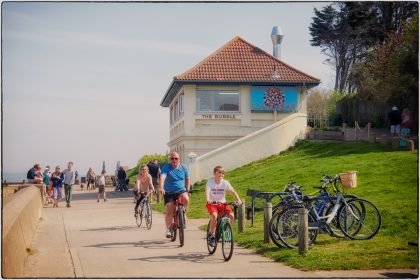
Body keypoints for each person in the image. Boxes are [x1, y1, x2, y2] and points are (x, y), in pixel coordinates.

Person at [205, 165, 242, 246]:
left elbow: (232, 192)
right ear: (214, 174)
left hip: (222, 203)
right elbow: (207, 191)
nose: (221, 175)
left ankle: (224, 230)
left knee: (231, 216)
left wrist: (238, 200)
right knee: (214, 216)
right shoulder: (210, 182)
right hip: (212, 203)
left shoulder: (225, 182)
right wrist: (208, 199)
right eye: (219, 173)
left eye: (222, 173)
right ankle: (212, 235)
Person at [159, 152, 190, 238]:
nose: (174, 160)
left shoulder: (184, 167)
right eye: (172, 158)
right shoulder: (166, 167)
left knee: (186, 199)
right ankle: (169, 228)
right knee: (169, 208)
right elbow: (162, 177)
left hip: (181, 190)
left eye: (176, 158)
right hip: (169, 191)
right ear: (170, 160)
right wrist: (161, 187)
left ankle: (183, 211)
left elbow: (187, 178)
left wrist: (188, 189)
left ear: (179, 159)